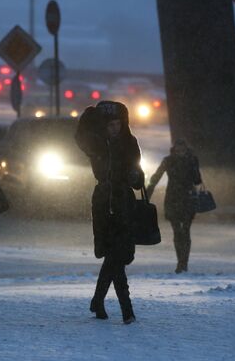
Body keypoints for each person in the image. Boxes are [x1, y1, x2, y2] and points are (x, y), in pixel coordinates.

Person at [75, 101, 144, 324]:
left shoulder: (129, 142)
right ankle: (127, 310)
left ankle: (98, 300)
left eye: (118, 124)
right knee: (113, 254)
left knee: (118, 255)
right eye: (110, 124)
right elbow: (80, 137)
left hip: (124, 200)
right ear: (103, 126)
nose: (115, 128)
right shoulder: (97, 143)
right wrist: (90, 115)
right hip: (105, 201)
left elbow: (138, 171)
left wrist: (136, 177)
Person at [146, 139, 202, 273]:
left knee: (185, 231)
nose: (180, 152)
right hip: (175, 198)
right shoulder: (169, 160)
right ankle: (181, 263)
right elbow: (156, 177)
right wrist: (147, 195)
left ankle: (183, 263)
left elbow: (197, 180)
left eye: (182, 149)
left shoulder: (191, 160)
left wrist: (193, 166)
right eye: (178, 149)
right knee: (178, 231)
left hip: (185, 198)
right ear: (174, 149)